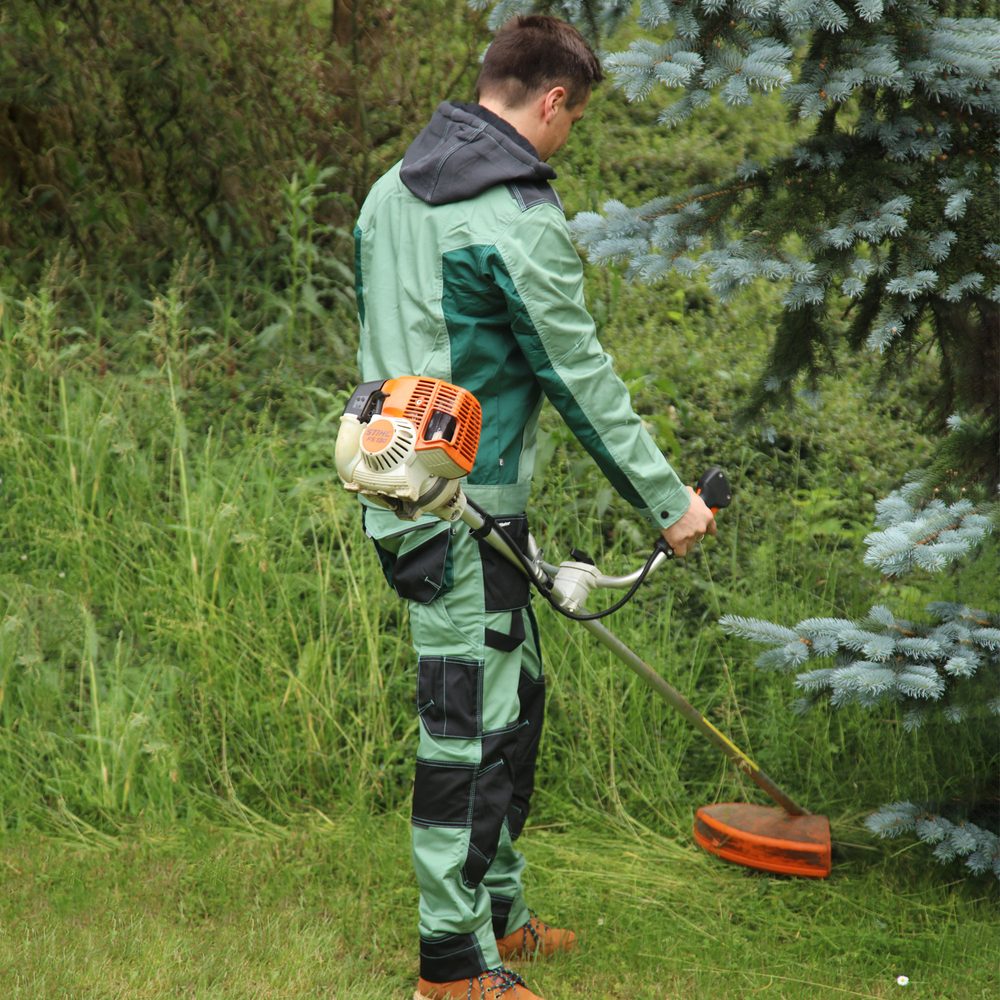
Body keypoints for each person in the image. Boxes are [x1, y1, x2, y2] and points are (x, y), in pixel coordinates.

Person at [353, 15, 716, 1000]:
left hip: (417, 490)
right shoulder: (509, 213)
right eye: (574, 119)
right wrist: (666, 501)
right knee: (465, 728)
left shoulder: (391, 193)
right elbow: (577, 374)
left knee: (511, 709)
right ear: (551, 101)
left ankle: (499, 916)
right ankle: (452, 965)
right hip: (454, 510)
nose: (566, 137)